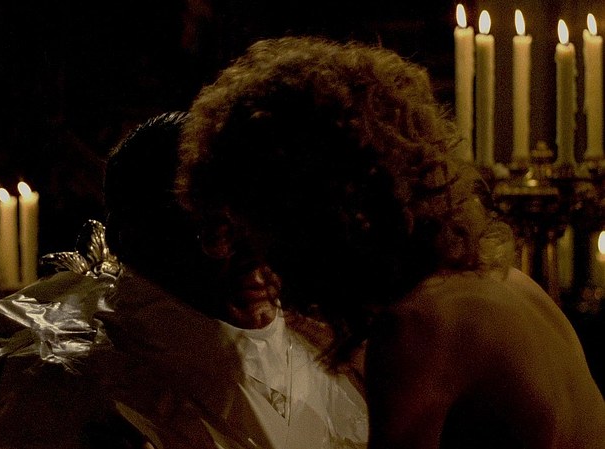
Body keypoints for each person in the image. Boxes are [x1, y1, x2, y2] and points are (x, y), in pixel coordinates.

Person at [174, 36, 605, 448]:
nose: (259, 260)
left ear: (307, 215)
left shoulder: (418, 327)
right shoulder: (508, 284)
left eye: (256, 226)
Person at [0, 111, 367, 449]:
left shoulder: (331, 349)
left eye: (257, 217)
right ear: (134, 240)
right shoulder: (59, 384)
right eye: (206, 226)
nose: (251, 252)